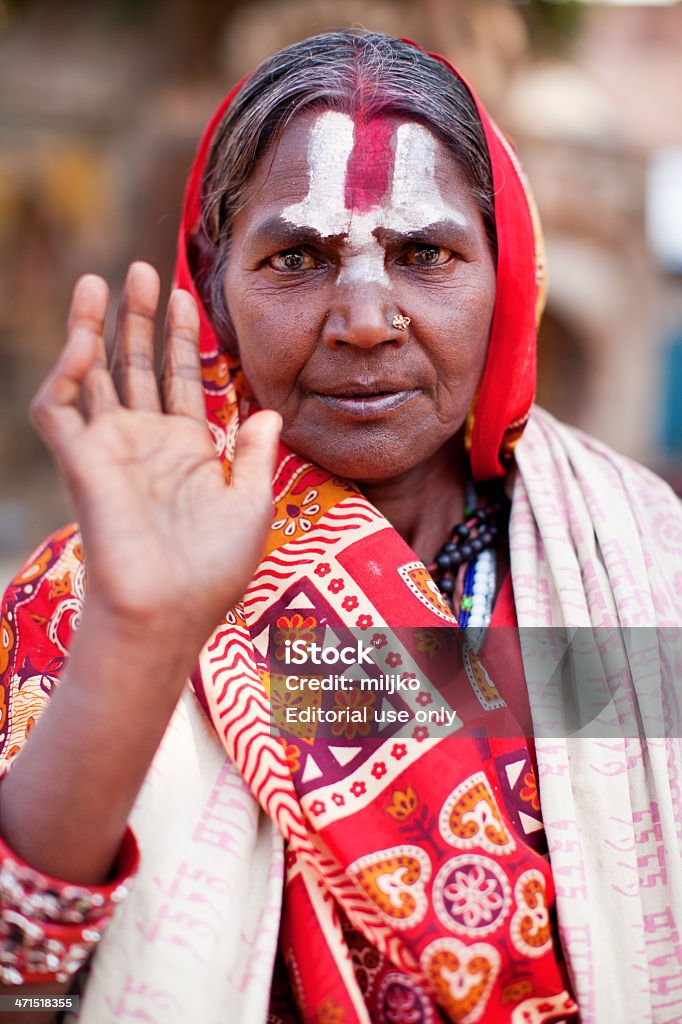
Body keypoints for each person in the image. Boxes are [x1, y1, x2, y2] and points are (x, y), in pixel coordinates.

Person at [0, 29, 681, 1024]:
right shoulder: (98, 589)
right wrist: (140, 641)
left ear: (506, 275)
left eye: (424, 253)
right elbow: (23, 996)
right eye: (295, 257)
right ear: (215, 286)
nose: (365, 316)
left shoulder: (627, 556)